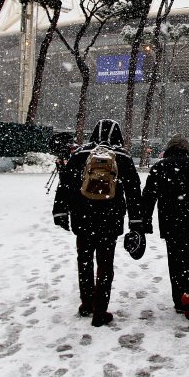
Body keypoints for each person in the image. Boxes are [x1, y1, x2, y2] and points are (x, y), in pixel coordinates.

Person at [53, 119, 144, 327]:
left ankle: (86, 303)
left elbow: (65, 184)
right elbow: (133, 192)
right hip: (110, 218)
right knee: (105, 263)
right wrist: (136, 223)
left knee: (84, 259)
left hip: (82, 216)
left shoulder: (80, 155)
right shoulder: (122, 157)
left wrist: (60, 211)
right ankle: (100, 310)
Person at [141, 134, 189, 321]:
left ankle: (179, 299)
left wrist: (145, 221)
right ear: (187, 148)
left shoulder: (160, 167)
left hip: (170, 223)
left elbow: (149, 197)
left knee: (175, 261)